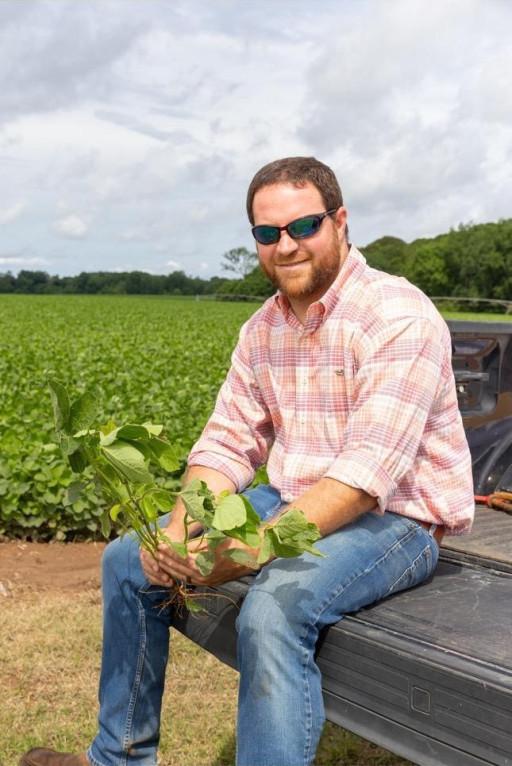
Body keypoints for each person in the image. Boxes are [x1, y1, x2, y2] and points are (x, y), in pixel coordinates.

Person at [20, 157, 474, 766]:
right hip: (293, 496)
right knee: (131, 560)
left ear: (340, 222)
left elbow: (365, 477)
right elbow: (228, 442)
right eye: (267, 233)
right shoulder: (263, 329)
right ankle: (118, 758)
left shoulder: (397, 316)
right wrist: (181, 528)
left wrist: (244, 551)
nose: (285, 245)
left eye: (303, 226)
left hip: (397, 519)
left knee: (273, 611)